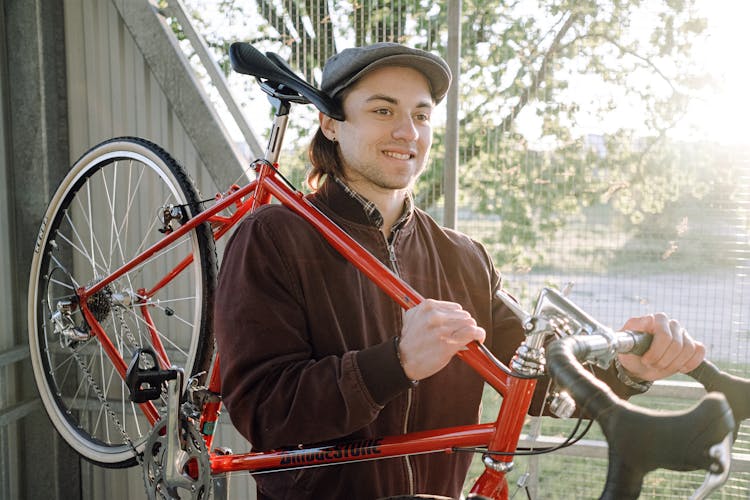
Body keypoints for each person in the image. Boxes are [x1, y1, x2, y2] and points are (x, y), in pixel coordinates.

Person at [213, 43, 705, 499]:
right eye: (383, 110)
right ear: (331, 123)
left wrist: (626, 372)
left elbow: (530, 384)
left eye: (421, 115)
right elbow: (263, 411)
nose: (408, 132)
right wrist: (396, 363)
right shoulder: (274, 237)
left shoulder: (463, 256)